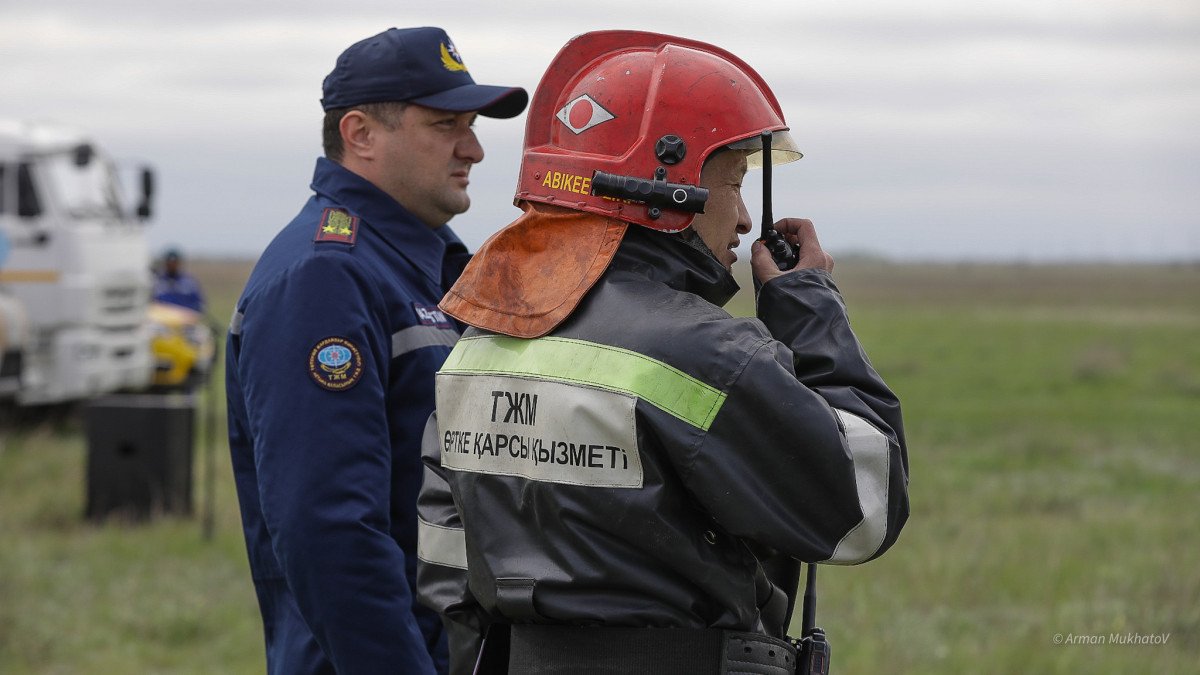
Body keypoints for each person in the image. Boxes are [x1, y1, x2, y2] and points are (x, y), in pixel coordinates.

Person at [416, 31, 910, 674]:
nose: (741, 220)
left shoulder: (481, 342)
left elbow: (448, 561)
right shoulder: (704, 352)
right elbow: (865, 505)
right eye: (733, 183)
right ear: (667, 192)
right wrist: (811, 308)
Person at [225, 27, 527, 674]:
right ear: (361, 134)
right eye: (446, 123)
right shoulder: (326, 277)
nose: (473, 147)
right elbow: (330, 533)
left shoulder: (425, 264)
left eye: (472, 125)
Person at [152, 248, 205, 313]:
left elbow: (199, 304)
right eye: (169, 263)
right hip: (162, 319)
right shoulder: (157, 281)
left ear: (179, 263)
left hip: (186, 319)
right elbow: (152, 302)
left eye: (174, 263)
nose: (172, 265)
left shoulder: (189, 282)